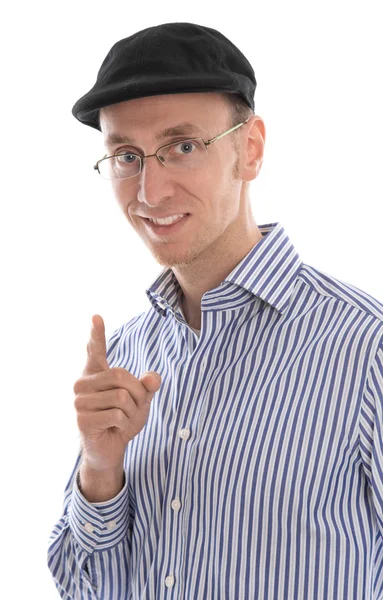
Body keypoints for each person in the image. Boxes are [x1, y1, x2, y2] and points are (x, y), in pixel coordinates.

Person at [47, 21, 383, 600]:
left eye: (182, 147)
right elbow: (84, 587)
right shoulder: (126, 355)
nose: (150, 192)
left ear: (248, 150)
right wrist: (100, 471)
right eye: (127, 155)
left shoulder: (366, 347)